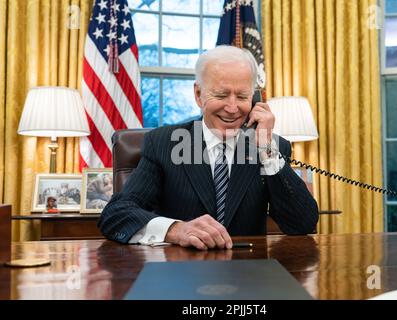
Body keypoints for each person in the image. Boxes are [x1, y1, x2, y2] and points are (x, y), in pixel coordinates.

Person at [98, 45, 319, 250]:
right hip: (182, 274)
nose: (232, 108)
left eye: (242, 96)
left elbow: (302, 224)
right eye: (221, 95)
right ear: (198, 94)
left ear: (254, 98)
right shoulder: (164, 143)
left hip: (250, 274)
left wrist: (266, 151)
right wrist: (176, 230)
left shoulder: (271, 147)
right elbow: (116, 214)